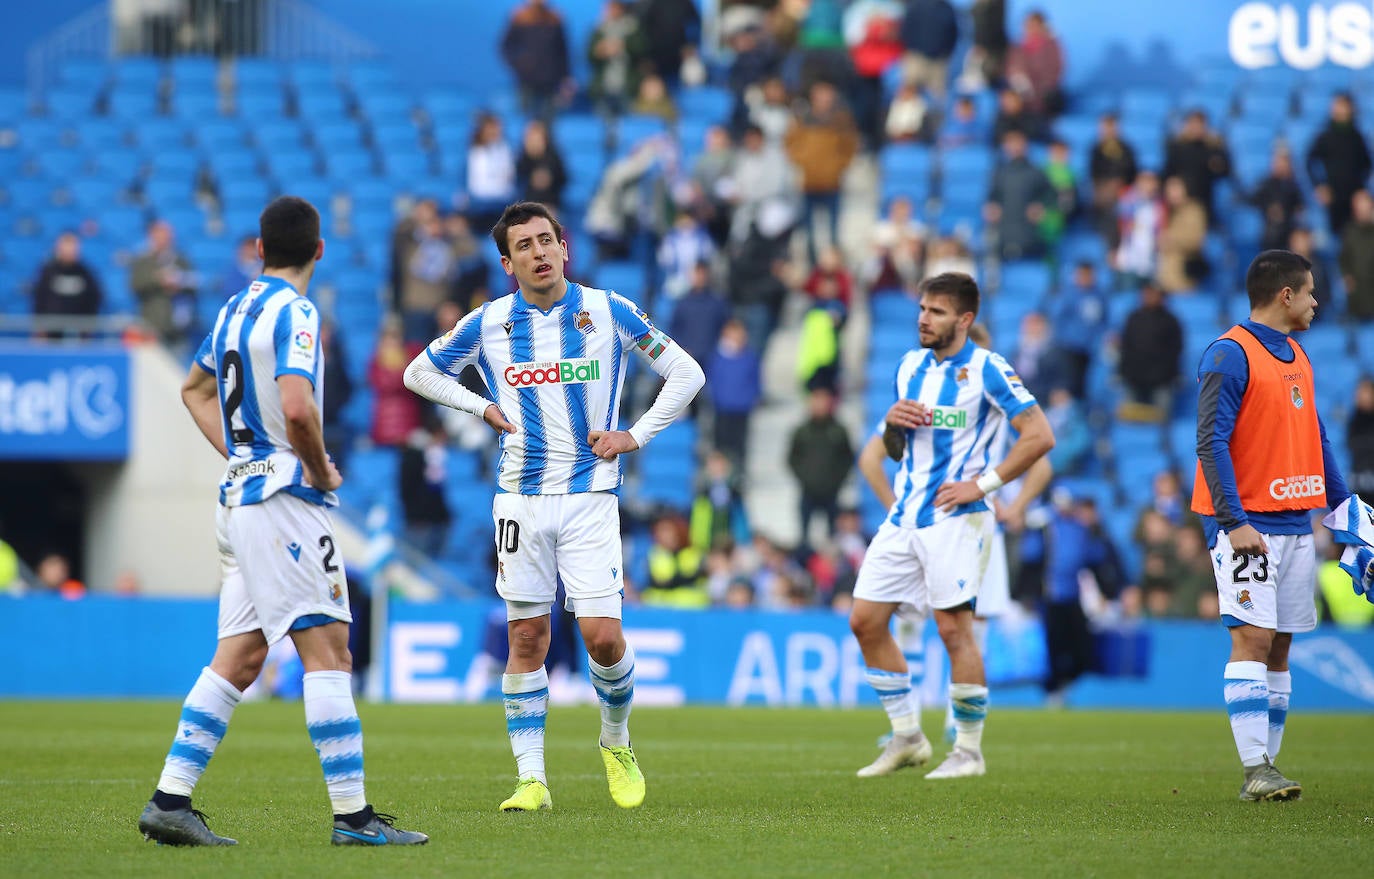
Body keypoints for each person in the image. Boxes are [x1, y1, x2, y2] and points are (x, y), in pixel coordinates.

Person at [137, 196, 427, 846]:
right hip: (284, 503)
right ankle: (353, 818)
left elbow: (193, 388)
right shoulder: (297, 313)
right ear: (319, 251)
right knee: (329, 650)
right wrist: (318, 468)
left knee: (238, 659)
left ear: (259, 249)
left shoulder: (235, 308)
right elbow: (297, 406)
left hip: (237, 501)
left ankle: (169, 799)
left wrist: (243, 456)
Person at [402, 201, 705, 812]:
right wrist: (480, 407)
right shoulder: (488, 322)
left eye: (547, 240)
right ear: (508, 262)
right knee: (527, 636)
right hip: (520, 499)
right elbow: (418, 372)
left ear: (564, 247)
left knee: (602, 639)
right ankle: (531, 779)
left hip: (590, 496)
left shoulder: (607, 309)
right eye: (525, 246)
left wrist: (635, 435)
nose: (539, 252)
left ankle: (615, 741)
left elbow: (687, 372)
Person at [849, 273, 1054, 780]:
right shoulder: (908, 366)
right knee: (865, 620)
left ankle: (967, 751)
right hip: (905, 515)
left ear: (965, 320)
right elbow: (895, 452)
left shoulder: (988, 369)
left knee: (954, 630)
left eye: (937, 311)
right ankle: (908, 737)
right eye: (922, 308)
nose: (923, 318)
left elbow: (1039, 435)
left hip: (958, 518)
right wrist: (895, 427)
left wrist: (983, 484)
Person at [1192, 249, 1352, 802]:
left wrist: (1347, 511)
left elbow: (1317, 439)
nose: (1315, 302)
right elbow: (1209, 440)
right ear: (1286, 295)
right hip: (1248, 526)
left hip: (1296, 523)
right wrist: (1232, 520)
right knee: (1252, 639)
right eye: (1309, 292)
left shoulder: (1300, 357)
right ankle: (1255, 766)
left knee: (1280, 647)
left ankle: (1269, 770)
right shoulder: (1228, 354)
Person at [787, 387, 855, 547]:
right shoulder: (802, 431)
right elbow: (792, 459)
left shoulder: (838, 431)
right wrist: (806, 478)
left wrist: (836, 481)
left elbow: (848, 459)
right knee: (804, 536)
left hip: (832, 492)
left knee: (833, 536)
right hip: (808, 491)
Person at [30, 231, 104, 335]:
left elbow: (94, 299)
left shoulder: (85, 272)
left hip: (78, 330)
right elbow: (39, 299)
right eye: (66, 245)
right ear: (58, 247)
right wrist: (39, 328)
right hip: (52, 329)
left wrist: (88, 327)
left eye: (73, 246)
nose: (70, 250)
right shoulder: (48, 271)